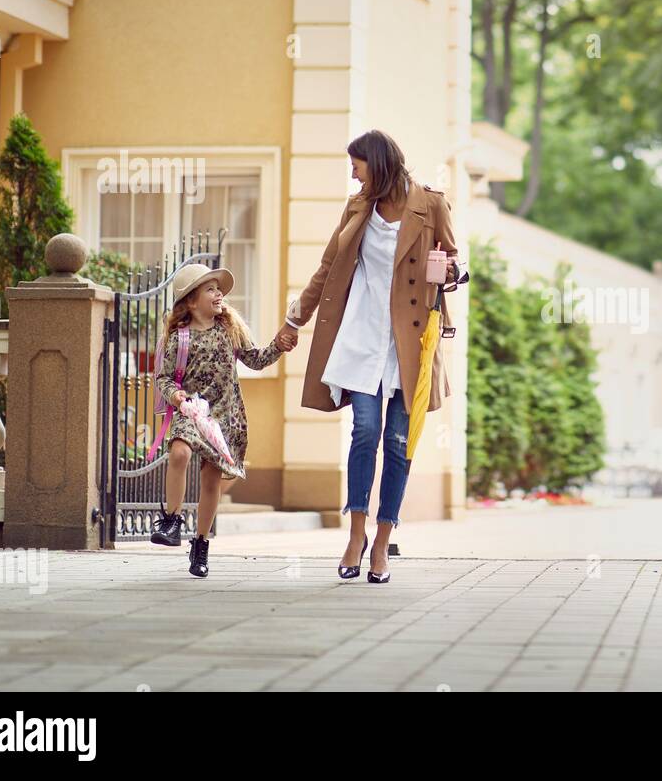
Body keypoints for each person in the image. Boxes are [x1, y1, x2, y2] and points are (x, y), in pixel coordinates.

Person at [274, 129, 461, 583]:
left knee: (398, 444)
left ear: (378, 163)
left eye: (356, 164)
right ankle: (355, 533)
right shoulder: (359, 207)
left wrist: (451, 271)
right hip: (360, 337)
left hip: (408, 345)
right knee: (364, 432)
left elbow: (452, 263)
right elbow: (327, 268)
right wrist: (293, 321)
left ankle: (382, 540)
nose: (352, 172)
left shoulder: (431, 205)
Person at [151, 263, 287, 577]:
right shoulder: (178, 338)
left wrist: (279, 344)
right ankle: (171, 521)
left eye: (219, 289)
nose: (219, 294)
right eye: (210, 289)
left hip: (225, 413)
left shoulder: (230, 329)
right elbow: (164, 378)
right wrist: (177, 398)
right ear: (191, 301)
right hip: (192, 410)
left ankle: (200, 545)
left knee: (212, 479)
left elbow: (256, 359)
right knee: (179, 453)